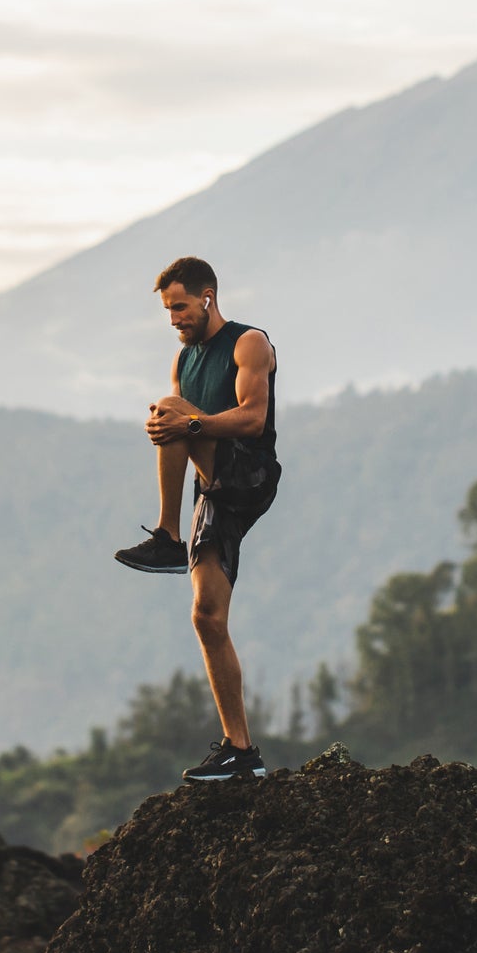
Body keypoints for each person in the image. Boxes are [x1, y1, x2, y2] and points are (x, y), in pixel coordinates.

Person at [113, 256, 282, 782]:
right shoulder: (183, 359)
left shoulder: (248, 342)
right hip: (211, 488)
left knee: (171, 410)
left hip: (248, 475)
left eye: (180, 307)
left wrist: (189, 421)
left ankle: (166, 535)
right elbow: (186, 429)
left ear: (207, 296)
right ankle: (241, 752)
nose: (174, 319)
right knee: (206, 617)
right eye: (168, 311)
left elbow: (253, 419)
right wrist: (181, 424)